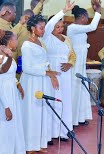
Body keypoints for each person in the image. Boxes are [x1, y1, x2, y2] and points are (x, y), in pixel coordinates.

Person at [20, 13, 61, 154]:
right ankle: (29, 146)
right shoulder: (27, 45)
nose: (44, 30)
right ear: (32, 28)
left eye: (44, 28)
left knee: (40, 112)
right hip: (31, 81)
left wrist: (50, 73)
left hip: (40, 80)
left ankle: (38, 143)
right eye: (41, 28)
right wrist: (47, 73)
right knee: (31, 113)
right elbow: (27, 68)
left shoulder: (40, 42)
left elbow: (44, 61)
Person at [0, 30, 27, 154]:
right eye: (15, 39)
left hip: (11, 93)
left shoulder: (9, 56)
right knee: (5, 128)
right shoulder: (0, 56)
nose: (17, 41)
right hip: (4, 97)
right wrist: (6, 106)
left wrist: (18, 85)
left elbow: (10, 75)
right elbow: (0, 77)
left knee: (14, 126)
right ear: (9, 41)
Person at [42, 4, 76, 141]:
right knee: (53, 99)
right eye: (57, 27)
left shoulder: (67, 39)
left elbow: (73, 55)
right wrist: (63, 11)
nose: (60, 29)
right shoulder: (47, 37)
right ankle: (50, 134)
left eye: (62, 27)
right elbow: (49, 25)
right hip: (53, 72)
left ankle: (64, 131)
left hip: (65, 74)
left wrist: (70, 64)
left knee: (65, 101)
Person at [67, 2, 102, 125]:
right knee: (75, 90)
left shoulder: (80, 29)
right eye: (87, 17)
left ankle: (80, 117)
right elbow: (92, 27)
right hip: (74, 64)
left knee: (81, 89)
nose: (87, 20)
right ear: (82, 17)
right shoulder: (73, 27)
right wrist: (98, 11)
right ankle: (71, 119)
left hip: (81, 63)